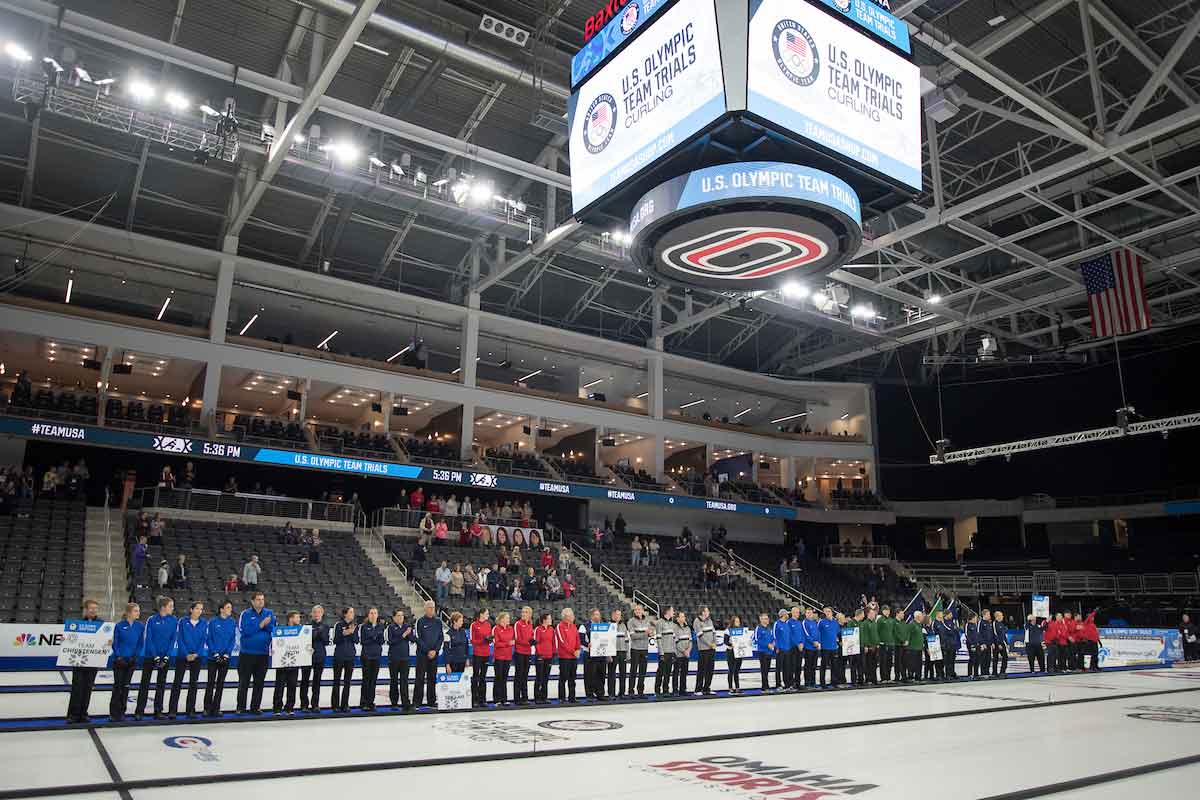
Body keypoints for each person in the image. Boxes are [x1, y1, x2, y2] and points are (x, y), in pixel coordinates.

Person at [136, 596, 178, 720]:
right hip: (150, 656)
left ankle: (158, 710)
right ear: (163, 607)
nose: (173, 608)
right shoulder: (152, 619)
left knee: (161, 684)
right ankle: (139, 711)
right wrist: (155, 656)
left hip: (165, 657)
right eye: (170, 606)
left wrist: (166, 656)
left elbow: (173, 639)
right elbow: (148, 638)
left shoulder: (174, 620)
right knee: (145, 683)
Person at [235, 591, 274, 714]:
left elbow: (272, 629)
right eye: (258, 599)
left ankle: (255, 707)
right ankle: (240, 707)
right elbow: (245, 631)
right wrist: (261, 624)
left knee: (259, 683)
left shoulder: (269, 613)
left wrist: (263, 626)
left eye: (262, 599)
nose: (261, 601)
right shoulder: (245, 614)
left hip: (263, 654)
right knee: (244, 682)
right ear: (252, 601)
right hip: (247, 654)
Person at [65, 599, 103, 724]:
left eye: (95, 608)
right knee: (77, 688)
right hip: (79, 662)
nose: (94, 610)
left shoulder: (102, 624)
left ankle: (83, 713)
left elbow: (104, 642)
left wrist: (108, 642)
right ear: (86, 609)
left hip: (93, 663)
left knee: (87, 688)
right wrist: (65, 639)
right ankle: (73, 714)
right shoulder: (77, 623)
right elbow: (70, 640)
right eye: (91, 608)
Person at [169, 601, 207, 717]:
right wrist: (186, 654)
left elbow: (203, 640)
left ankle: (190, 709)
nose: (199, 611)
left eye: (201, 609)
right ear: (191, 610)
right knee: (177, 683)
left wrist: (196, 654)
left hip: (196, 656)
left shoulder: (204, 623)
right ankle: (172, 710)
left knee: (193, 683)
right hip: (183, 656)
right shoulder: (182, 621)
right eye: (197, 608)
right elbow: (179, 638)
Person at [110, 602, 144, 722]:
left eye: (138, 611)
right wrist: (119, 657)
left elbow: (140, 643)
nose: (138, 613)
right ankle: (114, 713)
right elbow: (115, 642)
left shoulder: (140, 626)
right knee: (118, 686)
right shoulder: (119, 626)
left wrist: (135, 656)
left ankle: (122, 711)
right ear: (129, 613)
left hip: (131, 661)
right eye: (136, 611)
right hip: (119, 661)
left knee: (126, 686)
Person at [204, 600, 235, 717]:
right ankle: (207, 708)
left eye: (230, 607)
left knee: (220, 683)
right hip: (213, 658)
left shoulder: (232, 622)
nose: (230, 609)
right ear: (221, 609)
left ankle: (216, 707)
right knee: (210, 683)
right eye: (228, 607)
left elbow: (232, 639)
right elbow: (209, 638)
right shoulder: (213, 622)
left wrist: (227, 654)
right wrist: (215, 654)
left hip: (225, 657)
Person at [271, 610, 304, 714]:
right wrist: (274, 649)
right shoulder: (280, 630)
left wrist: (308, 650)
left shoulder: (301, 631)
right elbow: (274, 644)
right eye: (297, 617)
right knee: (279, 686)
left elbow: (304, 645)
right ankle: (277, 708)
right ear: (291, 619)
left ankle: (290, 707)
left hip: (294, 662)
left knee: (292, 686)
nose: (299, 619)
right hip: (282, 663)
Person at [413, 600, 442, 708]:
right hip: (422, 655)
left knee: (432, 679)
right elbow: (418, 638)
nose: (431, 609)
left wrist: (435, 650)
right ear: (425, 609)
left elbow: (440, 638)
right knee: (419, 678)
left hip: (434, 655)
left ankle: (431, 700)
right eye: (429, 607)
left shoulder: (438, 622)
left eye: (433, 607)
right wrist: (427, 651)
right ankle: (417, 701)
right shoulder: (420, 621)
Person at [300, 605, 329, 712]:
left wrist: (320, 634)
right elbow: (303, 641)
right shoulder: (306, 626)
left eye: (318, 612)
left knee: (317, 681)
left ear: (322, 613)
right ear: (311, 614)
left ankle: (315, 704)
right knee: (305, 681)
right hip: (307, 656)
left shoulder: (325, 626)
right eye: (314, 612)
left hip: (320, 656)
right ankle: (304, 705)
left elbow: (326, 642)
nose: (316, 614)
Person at [385, 609, 414, 711]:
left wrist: (410, 633)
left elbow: (412, 639)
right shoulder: (391, 628)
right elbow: (391, 641)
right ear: (394, 617)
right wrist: (403, 635)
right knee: (394, 681)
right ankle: (394, 703)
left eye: (402, 615)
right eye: (398, 615)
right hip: (394, 658)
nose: (400, 617)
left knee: (404, 681)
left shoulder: (407, 627)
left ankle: (405, 702)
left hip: (405, 658)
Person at [331, 607, 358, 713]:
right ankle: (335, 705)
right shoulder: (338, 625)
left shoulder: (354, 626)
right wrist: (344, 633)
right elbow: (335, 640)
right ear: (345, 614)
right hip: (339, 656)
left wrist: (352, 633)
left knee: (347, 682)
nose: (352, 614)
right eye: (351, 612)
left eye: (353, 612)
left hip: (350, 656)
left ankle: (345, 704)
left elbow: (356, 640)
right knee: (336, 681)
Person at [358, 608, 384, 711]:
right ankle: (363, 702)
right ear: (368, 615)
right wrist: (374, 636)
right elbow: (364, 641)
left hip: (376, 656)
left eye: (375, 613)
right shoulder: (364, 627)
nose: (373, 615)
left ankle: (371, 701)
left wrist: (374, 637)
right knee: (366, 679)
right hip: (366, 656)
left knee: (373, 680)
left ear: (377, 615)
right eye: (371, 613)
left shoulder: (381, 627)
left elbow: (381, 641)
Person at [555, 608, 581, 703]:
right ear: (565, 617)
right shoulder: (560, 626)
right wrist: (573, 651)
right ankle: (562, 698)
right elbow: (562, 642)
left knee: (572, 678)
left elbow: (577, 638)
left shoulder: (574, 626)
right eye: (571, 615)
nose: (573, 617)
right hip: (564, 657)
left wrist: (578, 649)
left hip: (573, 657)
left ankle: (572, 697)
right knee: (563, 677)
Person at [469, 608, 493, 707]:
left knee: (483, 677)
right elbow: (472, 640)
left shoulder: (488, 624)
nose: (488, 615)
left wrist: (489, 640)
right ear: (481, 614)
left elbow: (490, 638)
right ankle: (474, 699)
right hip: (477, 654)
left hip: (486, 654)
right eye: (487, 613)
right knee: (476, 676)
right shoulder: (474, 625)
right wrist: (483, 640)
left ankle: (482, 699)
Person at [581, 608, 606, 701]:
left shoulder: (604, 625)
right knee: (589, 675)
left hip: (601, 654)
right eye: (595, 614)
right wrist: (587, 644)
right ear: (591, 616)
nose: (597, 616)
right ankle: (590, 694)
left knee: (601, 675)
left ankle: (600, 693)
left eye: (598, 614)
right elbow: (581, 640)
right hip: (589, 654)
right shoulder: (584, 626)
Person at [628, 604, 651, 698]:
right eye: (636, 610)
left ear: (642, 611)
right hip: (635, 649)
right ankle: (631, 691)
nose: (638, 611)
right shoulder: (631, 621)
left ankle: (640, 691)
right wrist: (645, 634)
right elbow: (633, 636)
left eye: (639, 609)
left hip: (645, 649)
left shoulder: (647, 621)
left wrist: (649, 634)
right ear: (634, 611)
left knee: (643, 671)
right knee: (633, 671)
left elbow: (649, 633)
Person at [492, 611, 515, 705]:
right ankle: (496, 699)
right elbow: (496, 643)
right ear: (502, 619)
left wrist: (509, 644)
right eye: (507, 618)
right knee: (498, 677)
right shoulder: (496, 629)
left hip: (508, 656)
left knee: (504, 678)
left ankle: (504, 698)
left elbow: (513, 640)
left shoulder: (511, 629)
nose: (509, 620)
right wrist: (507, 644)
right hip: (499, 657)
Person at [692, 607, 717, 695]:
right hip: (703, 649)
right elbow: (700, 636)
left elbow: (714, 632)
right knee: (701, 669)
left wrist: (714, 642)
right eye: (707, 610)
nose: (709, 612)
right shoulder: (697, 621)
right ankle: (698, 689)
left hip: (711, 649)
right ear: (703, 612)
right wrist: (709, 644)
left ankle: (707, 688)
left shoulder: (710, 620)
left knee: (710, 669)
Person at [513, 606, 535, 705]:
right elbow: (518, 639)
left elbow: (531, 637)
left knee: (525, 675)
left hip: (527, 653)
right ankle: (517, 698)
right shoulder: (518, 624)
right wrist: (529, 643)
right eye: (523, 612)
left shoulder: (530, 624)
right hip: (520, 652)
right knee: (519, 675)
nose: (523, 614)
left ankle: (524, 697)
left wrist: (532, 642)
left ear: (530, 614)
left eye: (526, 612)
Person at [654, 606, 676, 696]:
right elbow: (658, 639)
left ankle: (666, 690)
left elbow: (673, 639)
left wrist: (674, 651)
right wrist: (661, 653)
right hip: (663, 652)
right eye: (672, 610)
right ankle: (657, 690)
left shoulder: (672, 623)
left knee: (668, 672)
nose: (673, 612)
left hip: (670, 652)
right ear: (667, 612)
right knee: (660, 672)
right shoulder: (659, 622)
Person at [534, 612, 555, 703]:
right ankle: (537, 697)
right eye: (549, 618)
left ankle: (544, 696)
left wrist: (554, 652)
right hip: (540, 656)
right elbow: (536, 642)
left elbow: (554, 642)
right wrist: (539, 654)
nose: (551, 620)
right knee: (539, 677)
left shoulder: (551, 630)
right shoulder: (538, 629)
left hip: (549, 656)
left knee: (546, 677)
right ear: (544, 620)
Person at [608, 608, 629, 699]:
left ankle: (622, 693)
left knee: (623, 673)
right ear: (613, 615)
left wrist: (627, 653)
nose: (618, 616)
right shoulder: (608, 625)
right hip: (613, 652)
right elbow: (607, 641)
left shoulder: (624, 625)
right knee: (611, 674)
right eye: (616, 614)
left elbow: (627, 640)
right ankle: (611, 693)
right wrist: (608, 654)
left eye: (619, 615)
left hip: (622, 652)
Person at [818, 607, 840, 688]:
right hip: (825, 648)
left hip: (834, 648)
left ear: (832, 613)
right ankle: (822, 683)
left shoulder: (835, 622)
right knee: (823, 666)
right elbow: (818, 633)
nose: (827, 613)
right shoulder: (821, 622)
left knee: (834, 666)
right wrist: (819, 643)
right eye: (826, 611)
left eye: (829, 611)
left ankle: (834, 682)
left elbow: (837, 633)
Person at [753, 612, 776, 692]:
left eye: (767, 618)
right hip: (762, 652)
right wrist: (767, 645)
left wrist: (773, 643)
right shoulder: (758, 628)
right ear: (761, 619)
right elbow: (755, 640)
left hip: (769, 652)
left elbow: (773, 638)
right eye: (765, 618)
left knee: (767, 670)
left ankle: (765, 686)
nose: (767, 620)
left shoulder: (769, 628)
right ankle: (765, 687)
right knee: (764, 670)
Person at [935, 610, 960, 680]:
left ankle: (952, 673)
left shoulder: (950, 622)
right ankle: (947, 674)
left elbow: (954, 632)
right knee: (946, 661)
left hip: (952, 644)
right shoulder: (941, 623)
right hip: (944, 644)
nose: (952, 616)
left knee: (952, 660)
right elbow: (948, 632)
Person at [772, 609, 792, 691]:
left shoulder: (787, 624)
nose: (788, 615)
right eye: (787, 614)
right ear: (783, 614)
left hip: (787, 649)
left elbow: (788, 636)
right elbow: (774, 635)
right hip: (780, 649)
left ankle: (787, 684)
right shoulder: (777, 623)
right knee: (778, 668)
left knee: (787, 668)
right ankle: (778, 685)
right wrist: (777, 647)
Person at [673, 610, 692, 696]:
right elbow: (676, 642)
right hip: (678, 654)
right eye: (681, 616)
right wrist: (684, 651)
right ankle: (675, 690)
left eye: (684, 616)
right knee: (676, 673)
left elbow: (690, 641)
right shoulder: (674, 628)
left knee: (684, 672)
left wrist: (688, 650)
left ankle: (683, 689)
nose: (683, 618)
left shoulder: (687, 628)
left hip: (686, 654)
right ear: (677, 618)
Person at [903, 611, 926, 683]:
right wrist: (907, 640)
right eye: (922, 616)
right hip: (912, 648)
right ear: (918, 616)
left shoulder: (919, 625)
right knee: (912, 664)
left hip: (919, 647)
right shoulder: (911, 624)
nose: (923, 617)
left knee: (919, 663)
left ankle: (918, 677)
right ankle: (911, 677)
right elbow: (907, 633)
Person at [724, 614, 744, 694]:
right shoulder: (728, 630)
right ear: (732, 622)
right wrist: (731, 645)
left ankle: (737, 687)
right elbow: (725, 641)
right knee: (731, 670)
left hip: (739, 652)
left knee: (737, 670)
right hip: (731, 652)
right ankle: (730, 687)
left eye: (738, 621)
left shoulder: (741, 630)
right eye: (736, 621)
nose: (738, 623)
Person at [801, 608, 820, 689]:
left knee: (813, 666)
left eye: (810, 613)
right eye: (808, 613)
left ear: (812, 614)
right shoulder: (804, 622)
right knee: (808, 666)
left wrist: (818, 642)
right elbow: (806, 634)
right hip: (808, 648)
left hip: (815, 648)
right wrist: (813, 642)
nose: (809, 614)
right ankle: (807, 683)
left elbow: (818, 633)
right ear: (805, 614)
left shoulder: (814, 622)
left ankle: (813, 682)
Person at [860, 606, 879, 685]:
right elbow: (864, 635)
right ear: (868, 614)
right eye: (872, 613)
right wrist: (866, 646)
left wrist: (877, 643)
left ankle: (874, 678)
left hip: (875, 646)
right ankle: (868, 679)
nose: (874, 614)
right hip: (869, 647)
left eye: (874, 613)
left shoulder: (875, 623)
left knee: (874, 664)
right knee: (868, 664)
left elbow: (876, 634)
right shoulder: (864, 623)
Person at [991, 610, 1009, 677]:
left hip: (1002, 643)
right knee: (995, 658)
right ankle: (994, 673)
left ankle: (1002, 671)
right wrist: (998, 644)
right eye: (1001, 615)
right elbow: (995, 634)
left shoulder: (1001, 624)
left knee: (1005, 657)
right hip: (996, 644)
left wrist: (1007, 643)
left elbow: (1003, 635)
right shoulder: (994, 623)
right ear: (997, 616)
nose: (1003, 616)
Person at [965, 613, 982, 679]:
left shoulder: (975, 625)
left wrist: (979, 643)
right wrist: (971, 644)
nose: (976, 619)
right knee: (972, 659)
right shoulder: (967, 625)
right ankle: (969, 674)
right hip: (971, 645)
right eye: (975, 618)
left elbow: (977, 635)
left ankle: (976, 674)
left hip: (977, 644)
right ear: (972, 618)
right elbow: (967, 635)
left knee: (977, 659)